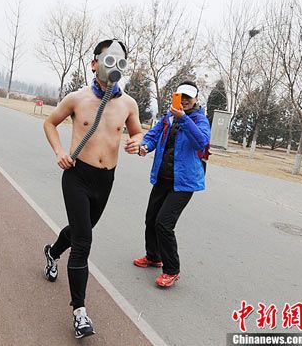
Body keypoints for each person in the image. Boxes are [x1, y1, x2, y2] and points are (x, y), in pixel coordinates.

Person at [42, 39, 143, 338]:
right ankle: (79, 312)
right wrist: (60, 151)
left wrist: (138, 141)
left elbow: (137, 131)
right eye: (109, 60)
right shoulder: (78, 98)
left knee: (78, 231)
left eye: (120, 62)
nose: (115, 67)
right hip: (77, 176)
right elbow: (50, 123)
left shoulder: (128, 103)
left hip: (105, 180)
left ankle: (52, 251)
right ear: (95, 63)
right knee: (84, 241)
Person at [134, 81, 210, 288]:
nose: (184, 100)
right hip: (163, 177)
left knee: (164, 223)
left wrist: (183, 119)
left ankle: (172, 269)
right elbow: (154, 135)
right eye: (180, 96)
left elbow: (201, 141)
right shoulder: (167, 116)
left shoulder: (199, 119)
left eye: (188, 97)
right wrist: (145, 146)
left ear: (195, 100)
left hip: (184, 182)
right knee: (151, 219)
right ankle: (153, 256)